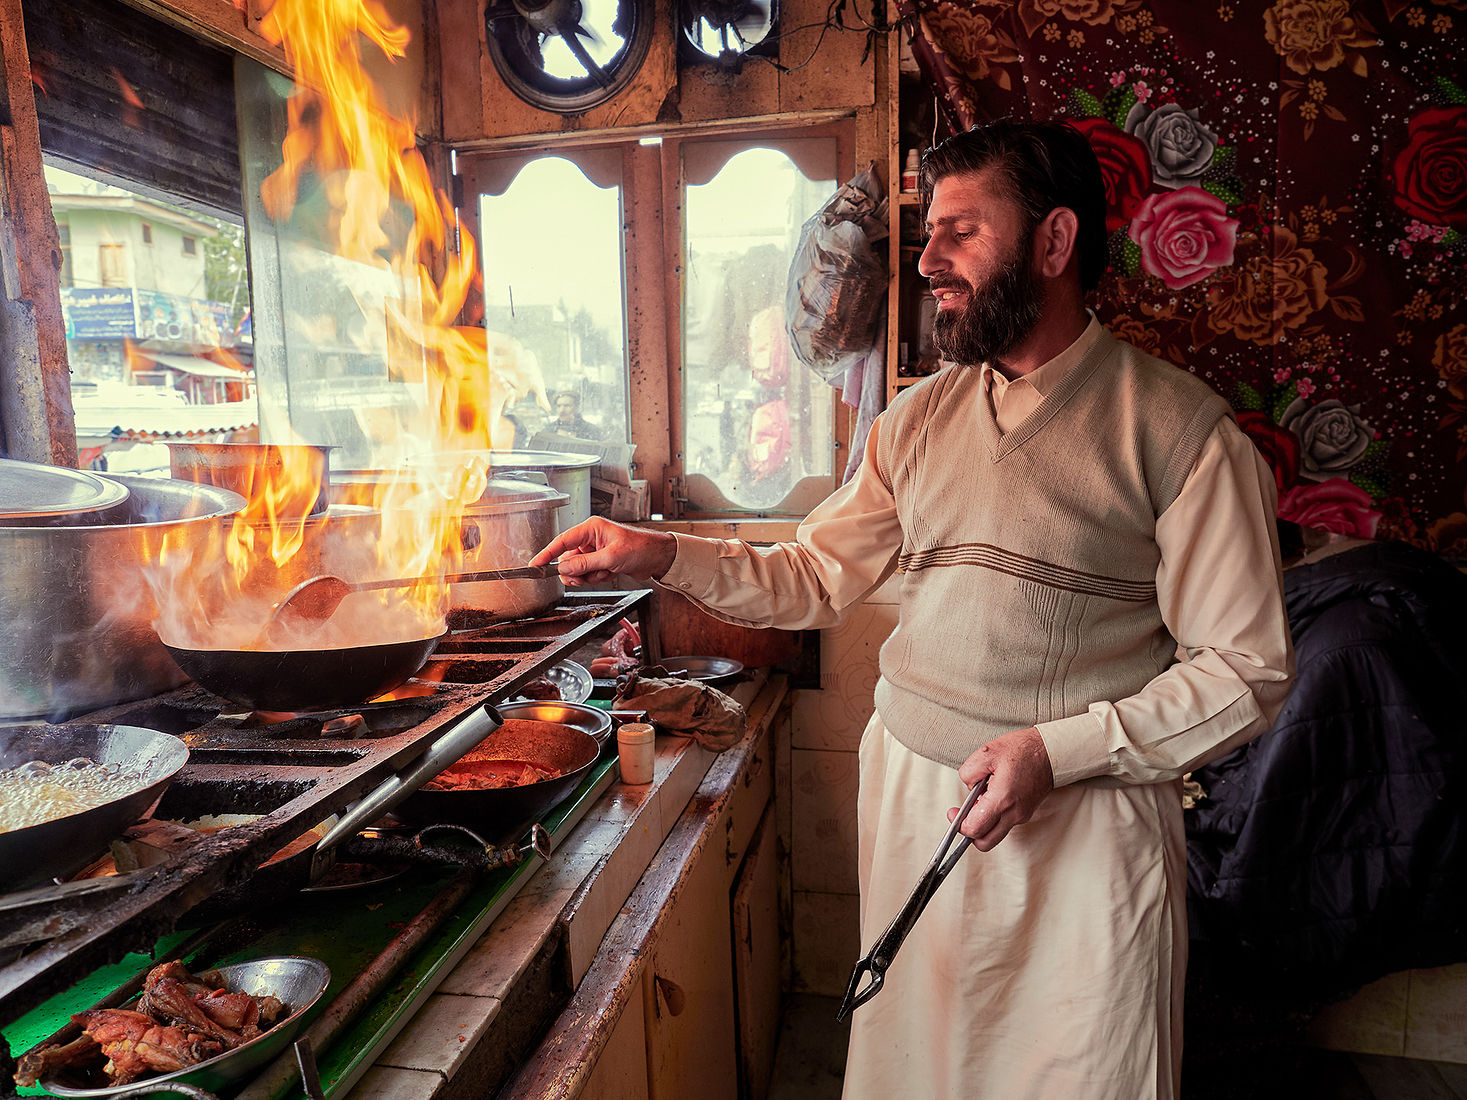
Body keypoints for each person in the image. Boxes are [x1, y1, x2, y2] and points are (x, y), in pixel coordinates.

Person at [531, 119, 1293, 1100]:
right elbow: (812, 575)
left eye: (962, 232)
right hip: (909, 798)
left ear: (1055, 243)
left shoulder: (1178, 433)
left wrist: (1055, 751)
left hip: (1080, 830)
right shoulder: (917, 420)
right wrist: (663, 552)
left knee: (1080, 1072)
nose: (926, 259)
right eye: (929, 231)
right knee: (919, 1066)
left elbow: (1247, 671)